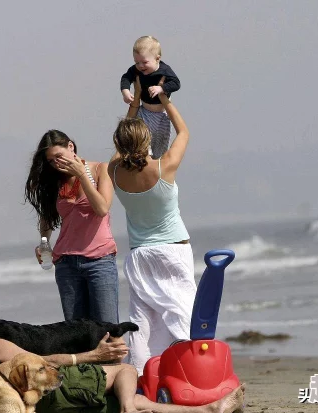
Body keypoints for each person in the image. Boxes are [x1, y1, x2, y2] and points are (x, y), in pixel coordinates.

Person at [0, 310, 245, 413]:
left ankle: (210, 408)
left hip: (43, 403)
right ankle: (128, 407)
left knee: (144, 404)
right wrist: (92, 357)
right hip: (54, 395)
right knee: (124, 371)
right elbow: (44, 362)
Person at [109, 78, 196, 374]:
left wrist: (134, 104)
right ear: (146, 141)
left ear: (119, 143)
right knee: (182, 314)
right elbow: (184, 132)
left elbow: (122, 147)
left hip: (139, 255)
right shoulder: (164, 166)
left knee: (142, 321)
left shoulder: (115, 171)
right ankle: (187, 369)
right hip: (172, 251)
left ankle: (143, 376)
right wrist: (166, 100)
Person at [24, 130, 119, 324]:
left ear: (70, 147)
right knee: (76, 333)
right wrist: (44, 242)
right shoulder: (55, 181)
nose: (56, 163)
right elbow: (47, 218)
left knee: (108, 329)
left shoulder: (100, 170)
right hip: (66, 263)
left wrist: (81, 175)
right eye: (51, 161)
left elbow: (101, 208)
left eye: (58, 157)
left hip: (99, 261)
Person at [120, 36, 181, 159]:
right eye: (137, 62)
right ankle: (144, 160)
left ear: (157, 59)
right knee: (141, 143)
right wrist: (125, 91)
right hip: (145, 112)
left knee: (161, 148)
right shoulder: (136, 70)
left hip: (162, 114)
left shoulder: (164, 70)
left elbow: (176, 83)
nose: (141, 66)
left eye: (145, 62)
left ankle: (157, 165)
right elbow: (126, 78)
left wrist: (161, 89)